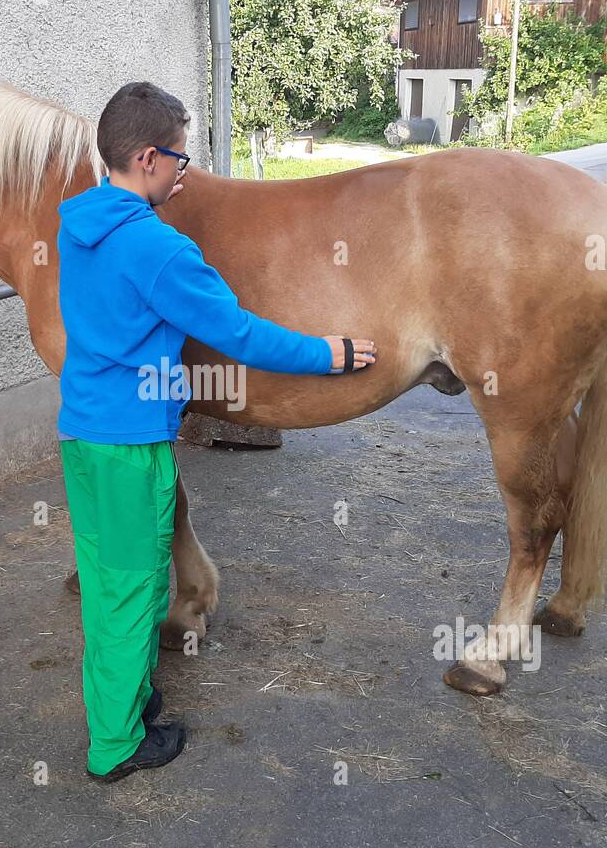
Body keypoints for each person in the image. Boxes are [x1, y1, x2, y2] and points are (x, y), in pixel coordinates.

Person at [57, 81, 376, 782]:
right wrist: (332, 353)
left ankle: (129, 701)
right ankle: (115, 745)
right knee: (133, 590)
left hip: (82, 434)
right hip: (129, 445)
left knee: (112, 579)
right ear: (146, 157)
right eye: (180, 158)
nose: (186, 171)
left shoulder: (77, 224)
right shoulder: (158, 248)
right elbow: (238, 333)